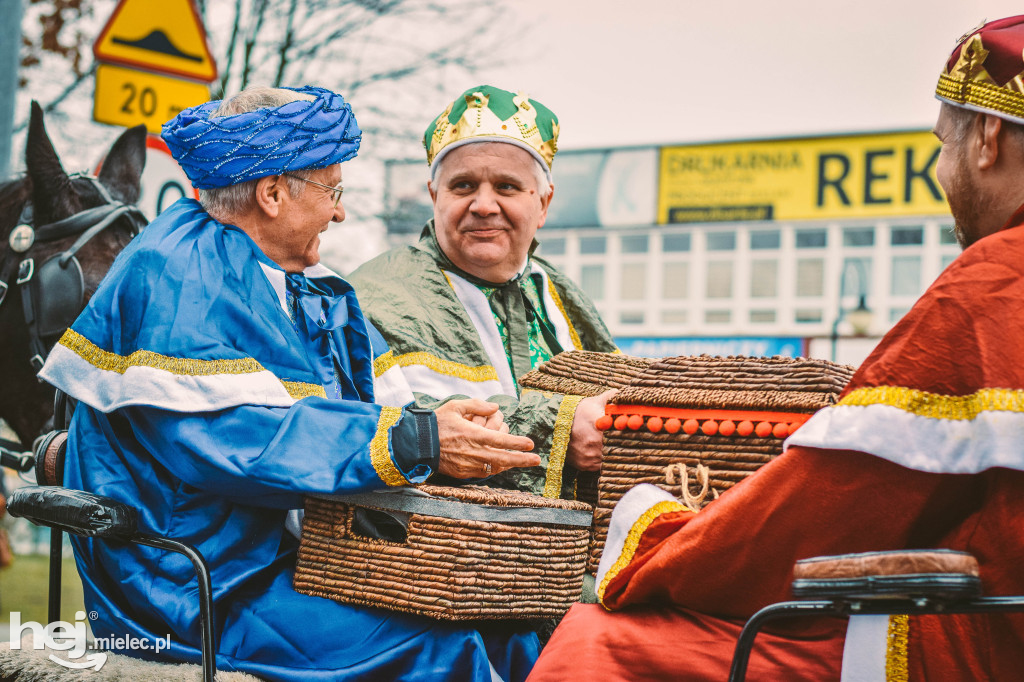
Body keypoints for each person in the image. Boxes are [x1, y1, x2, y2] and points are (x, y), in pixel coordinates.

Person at [527, 15, 1024, 681]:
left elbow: (829, 512)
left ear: (988, 138)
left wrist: (657, 539)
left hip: (983, 641)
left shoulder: (996, 286)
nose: (941, 172)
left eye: (942, 145)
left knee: (602, 640)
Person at [39, 85, 544, 682]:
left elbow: (375, 398)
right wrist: (414, 441)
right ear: (273, 193)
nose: (341, 213)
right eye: (333, 190)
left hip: (287, 556)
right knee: (442, 651)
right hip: (197, 583)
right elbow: (235, 444)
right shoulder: (176, 273)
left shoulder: (294, 276)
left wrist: (441, 421)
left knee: (515, 627)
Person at [349, 85, 617, 501]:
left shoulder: (563, 295)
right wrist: (560, 430)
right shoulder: (374, 293)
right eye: (463, 186)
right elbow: (392, 417)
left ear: (544, 203)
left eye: (507, 187)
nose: (484, 205)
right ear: (435, 196)